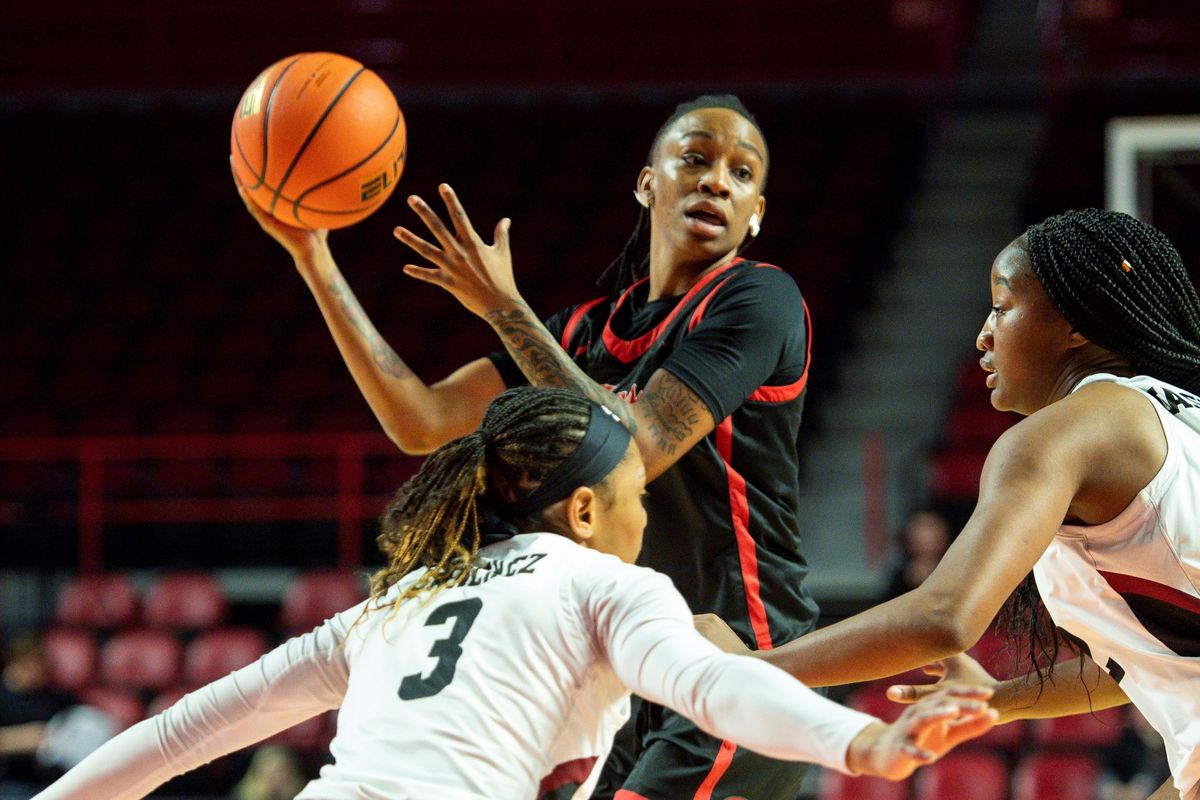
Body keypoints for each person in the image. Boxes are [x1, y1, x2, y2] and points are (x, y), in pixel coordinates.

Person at [239, 94, 830, 797]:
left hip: (732, 653)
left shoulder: (759, 300)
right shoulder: (581, 331)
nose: (715, 181)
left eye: (741, 174)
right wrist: (314, 258)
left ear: (756, 211)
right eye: (695, 159)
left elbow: (637, 448)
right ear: (647, 184)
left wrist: (503, 308)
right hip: (622, 671)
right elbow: (421, 420)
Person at [30, 388, 997, 800]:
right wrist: (859, 740)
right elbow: (714, 689)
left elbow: (182, 732)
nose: (644, 523)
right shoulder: (605, 584)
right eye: (636, 500)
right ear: (583, 511)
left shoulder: (393, 601)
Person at [697, 208, 1200, 800]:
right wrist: (1002, 699)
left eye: (1003, 305)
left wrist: (752, 670)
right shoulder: (1176, 414)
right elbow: (1151, 657)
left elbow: (944, 618)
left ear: (1075, 324)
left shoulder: (1061, 435)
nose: (983, 335)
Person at [881, 510, 952, 600]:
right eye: (922, 542)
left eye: (934, 541)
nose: (928, 548)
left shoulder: (956, 575)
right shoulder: (899, 579)